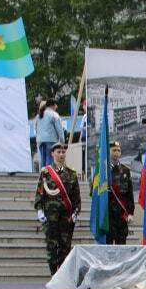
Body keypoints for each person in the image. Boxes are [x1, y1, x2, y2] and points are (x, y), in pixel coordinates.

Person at [34, 142, 81, 274]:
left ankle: (63, 273)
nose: (61, 155)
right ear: (52, 154)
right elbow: (40, 193)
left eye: (63, 152)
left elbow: (76, 196)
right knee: (51, 244)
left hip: (66, 216)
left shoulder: (71, 173)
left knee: (65, 245)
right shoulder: (46, 173)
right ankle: (53, 272)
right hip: (50, 215)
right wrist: (39, 210)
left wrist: (76, 212)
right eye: (58, 152)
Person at [107, 141, 135, 246]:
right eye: (114, 150)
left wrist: (131, 212)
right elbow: (94, 192)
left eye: (118, 150)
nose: (116, 153)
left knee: (121, 244)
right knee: (108, 245)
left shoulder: (125, 170)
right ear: (108, 151)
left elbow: (130, 193)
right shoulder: (103, 170)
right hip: (108, 214)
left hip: (122, 214)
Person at [35, 98, 65, 170]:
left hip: (40, 140)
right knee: (50, 158)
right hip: (51, 140)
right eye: (56, 105)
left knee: (43, 159)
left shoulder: (38, 115)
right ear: (52, 105)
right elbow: (59, 129)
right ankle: (49, 175)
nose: (57, 107)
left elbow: (36, 128)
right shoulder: (54, 115)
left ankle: (43, 175)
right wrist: (62, 140)